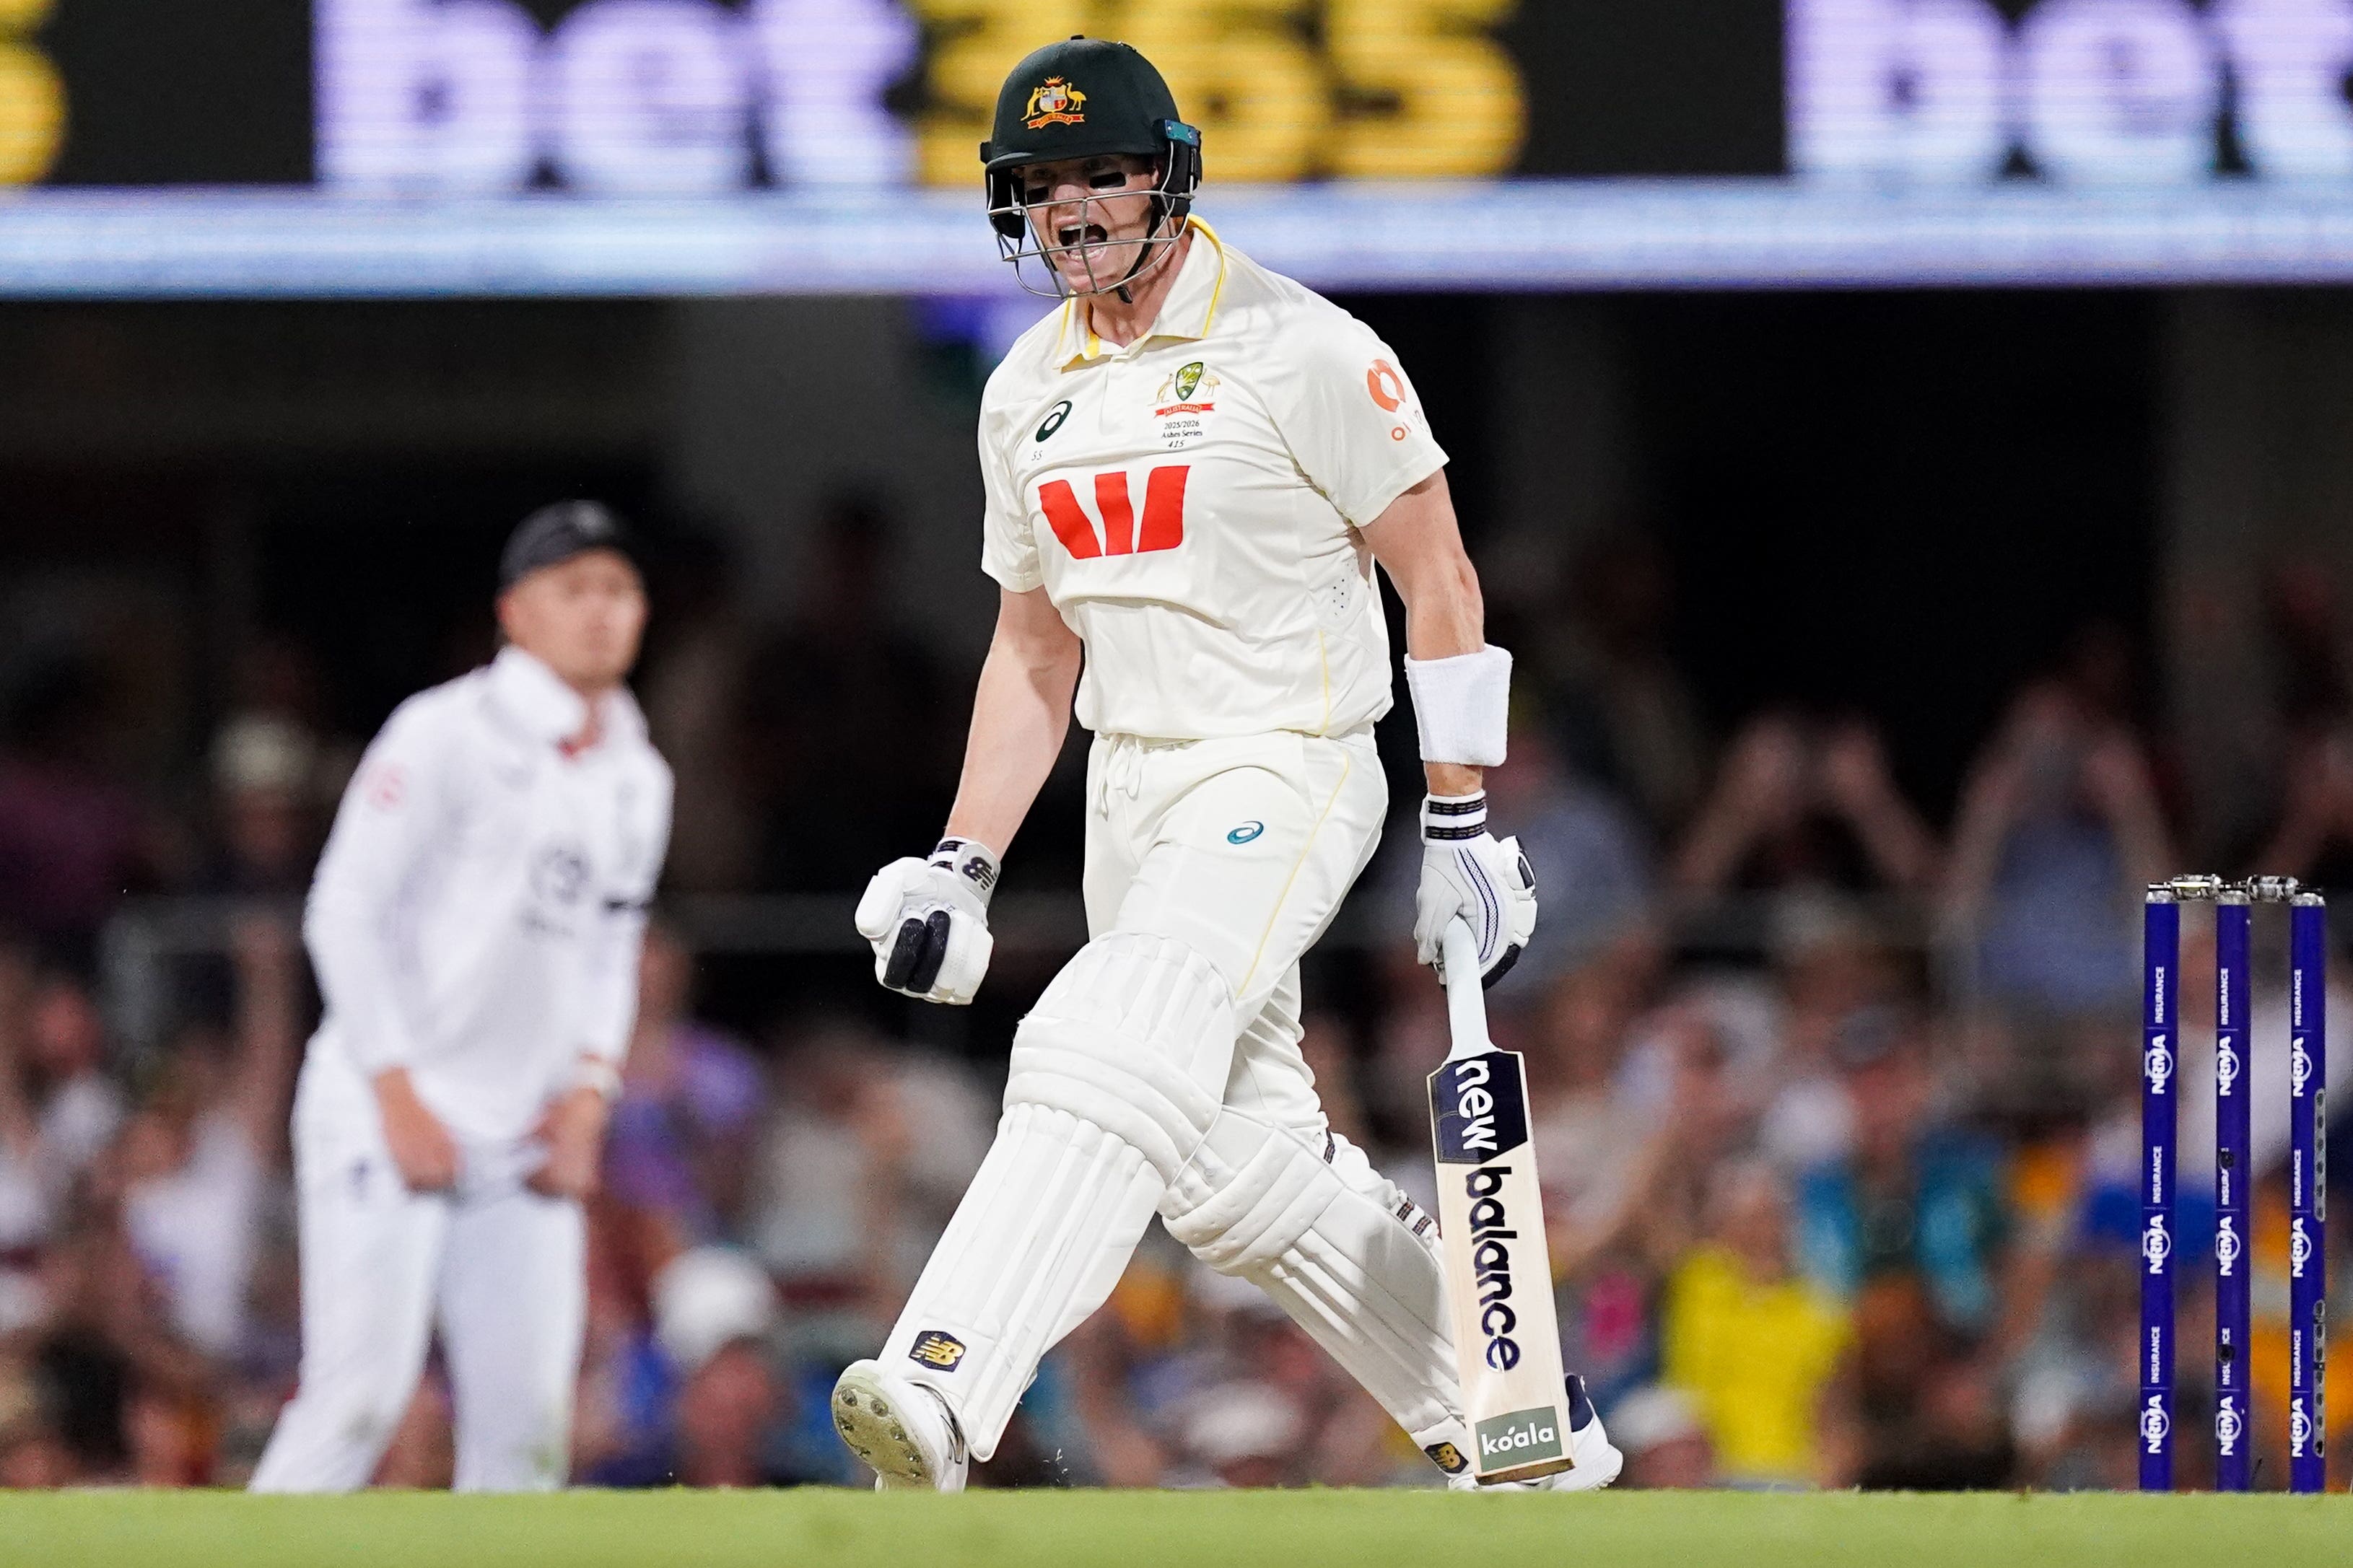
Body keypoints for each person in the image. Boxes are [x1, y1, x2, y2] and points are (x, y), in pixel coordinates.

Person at [827, 38, 1618, 1494]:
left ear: (1169, 179)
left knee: (1107, 1029)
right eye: (1040, 185)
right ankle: (1524, 1430)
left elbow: (1439, 579)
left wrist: (1460, 818)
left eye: (1101, 175)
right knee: (1230, 1171)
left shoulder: (1305, 348)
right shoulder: (1022, 390)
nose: (1071, 211)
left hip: (1285, 764)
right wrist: (962, 860)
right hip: (1130, 792)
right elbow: (1033, 655)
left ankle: (942, 1382)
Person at [249, 502, 673, 1493]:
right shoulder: (442, 733)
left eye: (620, 589)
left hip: (524, 1132)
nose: (601, 610)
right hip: (385, 1108)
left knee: (529, 1434)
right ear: (515, 612)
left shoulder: (638, 775)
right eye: (575, 588)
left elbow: (612, 947)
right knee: (358, 1403)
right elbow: (340, 911)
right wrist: (397, 1092)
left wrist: (589, 1094)